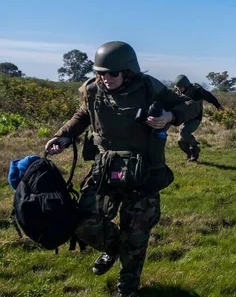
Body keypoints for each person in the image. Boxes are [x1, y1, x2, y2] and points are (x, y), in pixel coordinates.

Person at [45, 41, 200, 297]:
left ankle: (127, 288)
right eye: (101, 72)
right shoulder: (93, 90)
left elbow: (190, 105)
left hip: (143, 172)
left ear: (127, 71)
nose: (106, 78)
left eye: (113, 73)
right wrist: (63, 136)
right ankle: (114, 246)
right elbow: (82, 115)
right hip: (105, 167)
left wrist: (170, 117)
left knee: (136, 236)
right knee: (84, 222)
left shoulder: (149, 87)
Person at [172, 74, 224, 161]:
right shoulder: (178, 91)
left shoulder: (197, 91)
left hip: (195, 118)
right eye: (177, 87)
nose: (178, 90)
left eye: (180, 87)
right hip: (185, 117)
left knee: (184, 133)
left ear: (186, 86)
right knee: (181, 141)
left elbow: (209, 97)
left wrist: (218, 106)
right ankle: (191, 156)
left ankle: (195, 147)